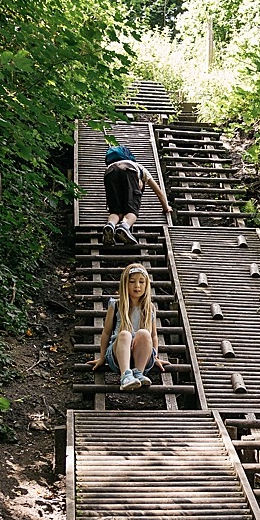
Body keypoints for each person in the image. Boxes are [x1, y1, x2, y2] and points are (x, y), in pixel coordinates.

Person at [91, 262, 170, 391]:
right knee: (125, 334)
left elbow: (154, 336)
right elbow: (106, 333)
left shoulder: (149, 308)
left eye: (141, 282)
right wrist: (101, 357)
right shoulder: (116, 305)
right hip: (118, 357)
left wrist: (155, 357)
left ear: (147, 285)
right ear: (125, 284)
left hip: (143, 357)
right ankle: (125, 376)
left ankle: (139, 373)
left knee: (144, 333)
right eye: (132, 281)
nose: (137, 286)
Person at [102, 141, 170, 248]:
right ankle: (124, 227)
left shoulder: (111, 165)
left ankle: (110, 225)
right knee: (131, 210)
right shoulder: (137, 166)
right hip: (129, 171)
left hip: (109, 173)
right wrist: (166, 207)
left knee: (116, 211)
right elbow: (158, 191)